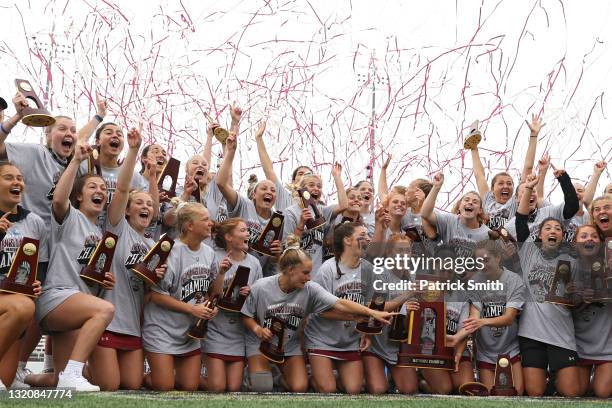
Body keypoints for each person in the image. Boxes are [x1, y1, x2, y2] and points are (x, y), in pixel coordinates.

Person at [240, 235, 396, 393]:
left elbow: (339, 303)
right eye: (305, 273)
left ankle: (278, 378)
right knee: (262, 386)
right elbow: (246, 315)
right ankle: (256, 376)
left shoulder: (310, 289)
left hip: (289, 346)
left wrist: (371, 312)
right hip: (260, 345)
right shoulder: (261, 287)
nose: (309, 278)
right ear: (290, 270)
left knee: (300, 387)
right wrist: (258, 330)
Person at [29, 141, 116, 391]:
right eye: (92, 186)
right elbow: (58, 199)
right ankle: (73, 374)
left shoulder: (101, 236)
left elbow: (90, 279)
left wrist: (104, 281)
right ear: (79, 195)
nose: (100, 190)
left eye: (102, 188)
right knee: (105, 310)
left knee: (102, 383)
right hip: (56, 297)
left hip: (76, 309)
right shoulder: (70, 217)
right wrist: (76, 160)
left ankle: (25, 378)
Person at [87, 128, 162, 391]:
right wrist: (132, 150)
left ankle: (87, 369)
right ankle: (54, 376)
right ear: (127, 210)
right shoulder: (116, 226)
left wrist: (156, 277)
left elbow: (151, 290)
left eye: (150, 205)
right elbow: (121, 189)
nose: (145, 207)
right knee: (110, 386)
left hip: (133, 326)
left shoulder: (153, 246)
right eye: (139, 203)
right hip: (109, 320)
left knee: (132, 384)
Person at [142, 202, 222, 391]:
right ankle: (143, 377)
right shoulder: (170, 251)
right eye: (205, 219)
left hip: (189, 333)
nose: (211, 223)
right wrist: (192, 309)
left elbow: (210, 292)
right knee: (164, 386)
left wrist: (211, 306)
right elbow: (156, 296)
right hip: (162, 329)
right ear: (189, 226)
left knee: (190, 387)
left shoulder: (209, 253)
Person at [515, 173, 581, 397]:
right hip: (531, 333)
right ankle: (549, 381)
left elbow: (572, 203)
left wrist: (564, 179)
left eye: (557, 229)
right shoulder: (528, 252)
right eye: (548, 228)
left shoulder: (572, 260)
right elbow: (520, 219)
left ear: (562, 236)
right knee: (534, 393)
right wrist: (528, 188)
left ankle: (556, 380)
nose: (553, 231)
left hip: (561, 332)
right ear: (539, 235)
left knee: (571, 393)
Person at [305, 223, 374, 394]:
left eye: (368, 236)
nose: (368, 239)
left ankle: (332, 377)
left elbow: (369, 306)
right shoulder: (327, 269)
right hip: (321, 338)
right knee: (328, 389)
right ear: (348, 240)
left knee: (354, 389)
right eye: (363, 235)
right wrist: (352, 317)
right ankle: (311, 378)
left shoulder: (368, 269)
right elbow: (319, 310)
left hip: (349, 340)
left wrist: (366, 333)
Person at [201, 218, 263, 392]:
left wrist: (250, 292)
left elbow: (258, 300)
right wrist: (221, 273)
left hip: (238, 333)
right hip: (216, 330)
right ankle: (189, 378)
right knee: (218, 387)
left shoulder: (254, 263)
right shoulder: (215, 256)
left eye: (247, 231)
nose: (248, 234)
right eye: (242, 230)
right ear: (228, 237)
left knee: (234, 388)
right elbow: (212, 295)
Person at [0, 162, 45, 388]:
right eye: (9, 177)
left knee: (5, 383)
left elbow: (39, 265)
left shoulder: (34, 222)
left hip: (13, 309)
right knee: (24, 306)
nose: (17, 182)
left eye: (20, 178)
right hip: (13, 303)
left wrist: (37, 284)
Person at [463, 240, 525, 394]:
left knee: (517, 393)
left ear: (498, 257)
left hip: (511, 348)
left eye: (486, 260)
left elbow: (509, 317)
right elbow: (475, 314)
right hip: (486, 350)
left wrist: (481, 321)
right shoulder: (474, 282)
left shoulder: (514, 280)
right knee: (492, 394)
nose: (482, 265)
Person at [362, 233, 419, 395]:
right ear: (389, 253)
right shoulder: (380, 273)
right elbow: (375, 309)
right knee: (378, 389)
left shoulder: (413, 277)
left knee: (409, 390)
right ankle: (362, 377)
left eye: (407, 251)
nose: (404, 256)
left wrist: (412, 311)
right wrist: (405, 297)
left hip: (397, 344)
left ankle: (392, 378)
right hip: (375, 342)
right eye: (399, 251)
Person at [469, 114, 545, 229]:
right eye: (501, 183)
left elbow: (528, 167)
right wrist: (473, 148)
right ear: (492, 189)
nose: (506, 186)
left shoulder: (516, 201)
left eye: (509, 183)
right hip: (488, 245)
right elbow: (479, 175)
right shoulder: (488, 200)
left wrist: (533, 136)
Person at [572, 224, 612, 398]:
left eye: (594, 236)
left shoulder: (609, 266)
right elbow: (559, 308)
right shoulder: (567, 267)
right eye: (584, 236)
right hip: (578, 345)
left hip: (606, 344)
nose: (589, 238)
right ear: (574, 244)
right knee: (576, 391)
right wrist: (580, 300)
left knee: (602, 392)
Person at [420, 172, 491, 260]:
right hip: (448, 271)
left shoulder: (486, 234)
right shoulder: (449, 220)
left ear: (480, 210)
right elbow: (425, 213)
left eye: (475, 202)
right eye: (466, 200)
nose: (470, 202)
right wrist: (436, 187)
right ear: (459, 207)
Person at [254, 120, 313, 211]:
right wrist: (259, 138)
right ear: (293, 181)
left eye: (308, 175)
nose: (304, 176)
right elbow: (269, 170)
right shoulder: (283, 196)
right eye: (300, 174)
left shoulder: (317, 204)